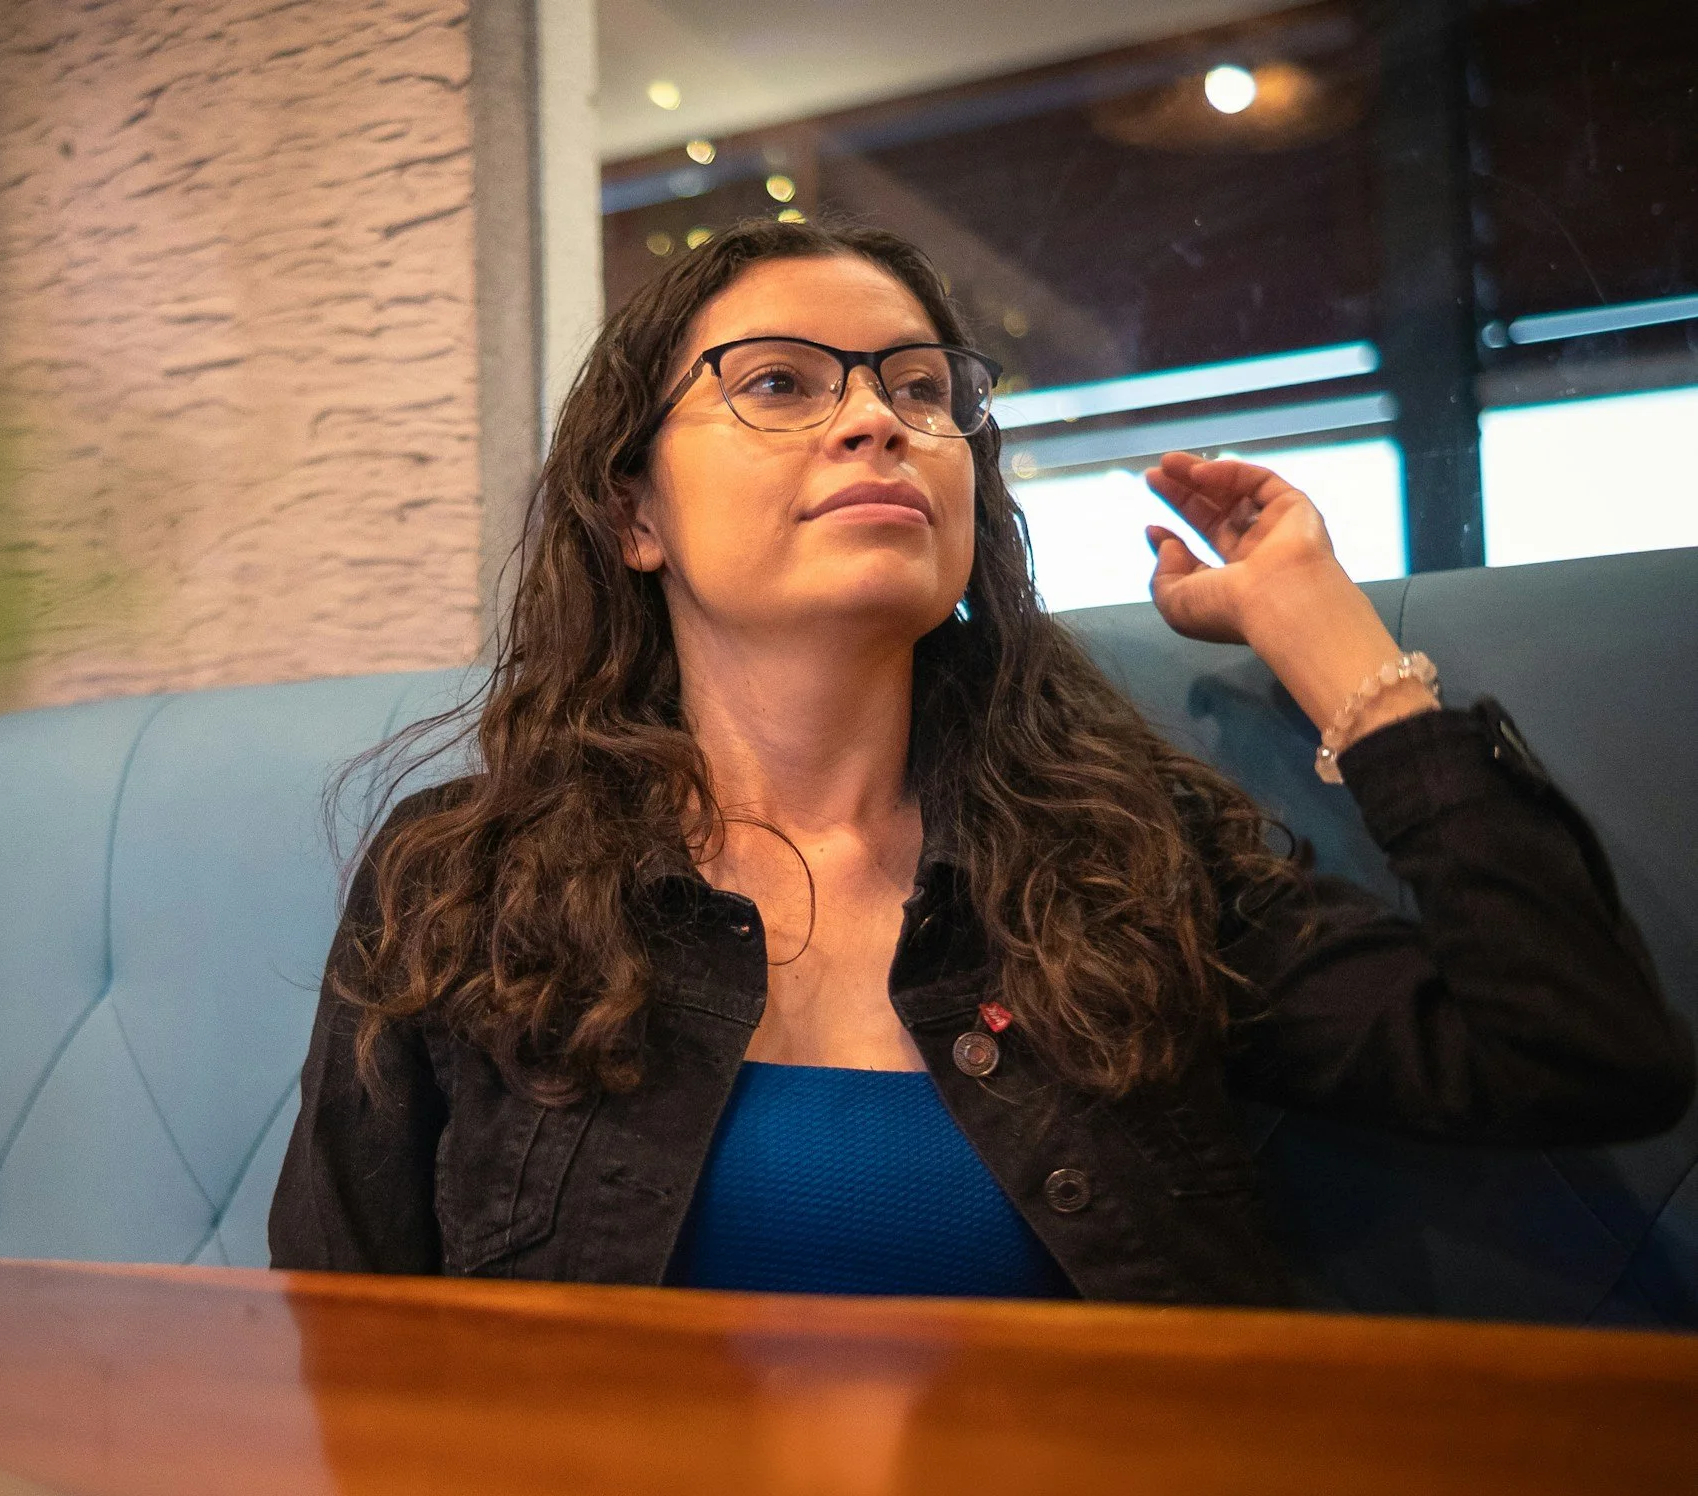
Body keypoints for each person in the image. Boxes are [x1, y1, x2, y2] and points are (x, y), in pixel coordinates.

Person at [266, 217, 1692, 1304]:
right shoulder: (466, 879)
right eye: (778, 382)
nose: (882, 418)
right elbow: (341, 1324)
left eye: (923, 388)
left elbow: (1579, 1055)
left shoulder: (1128, 858)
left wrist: (1336, 647)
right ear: (633, 511)